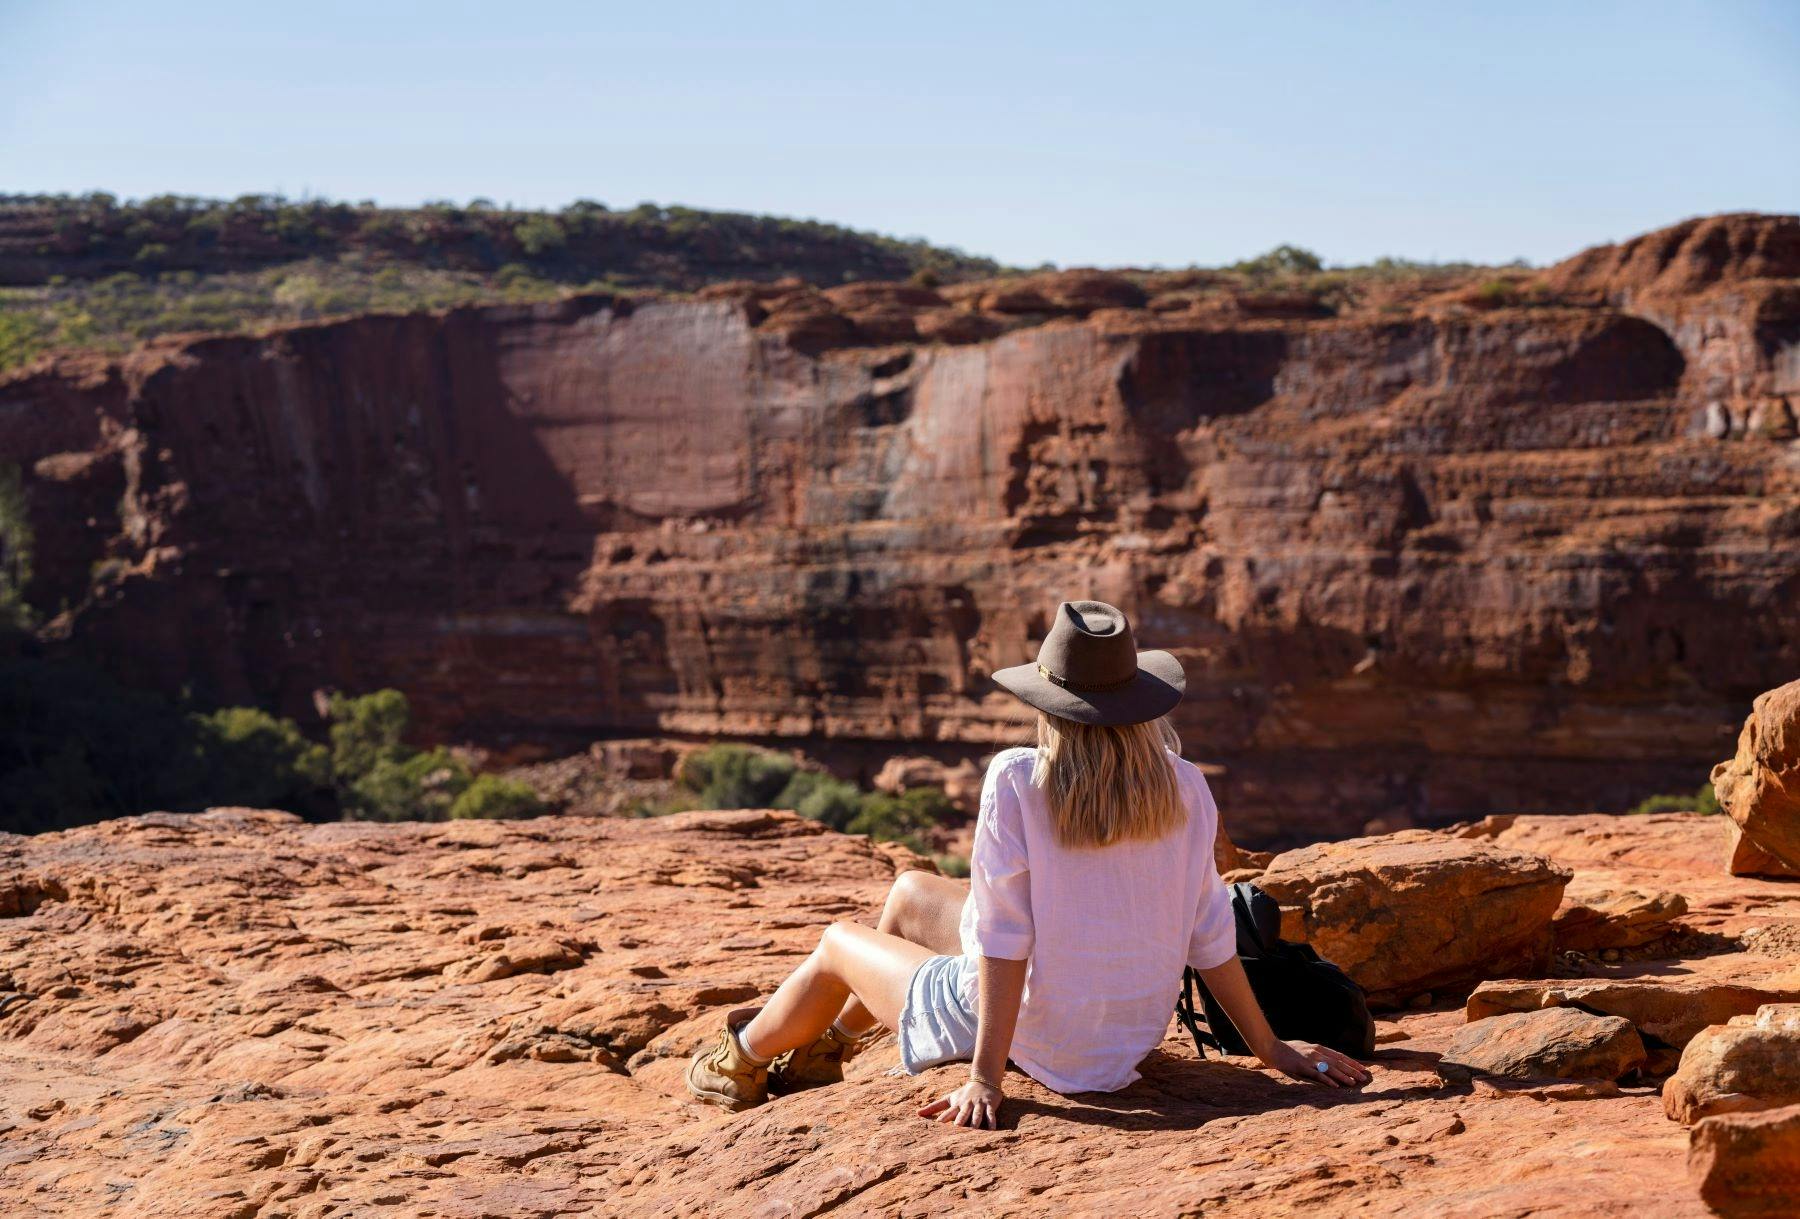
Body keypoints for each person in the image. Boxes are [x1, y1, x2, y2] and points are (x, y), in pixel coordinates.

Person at [686, 599, 1371, 1128]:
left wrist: (985, 1077)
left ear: (1051, 703)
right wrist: (1270, 1047)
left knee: (839, 941)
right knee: (909, 892)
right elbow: (1210, 933)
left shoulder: (1018, 779)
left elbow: (1003, 940)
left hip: (1036, 1034)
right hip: (1126, 1037)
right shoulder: (1185, 784)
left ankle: (739, 1060)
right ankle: (824, 1047)